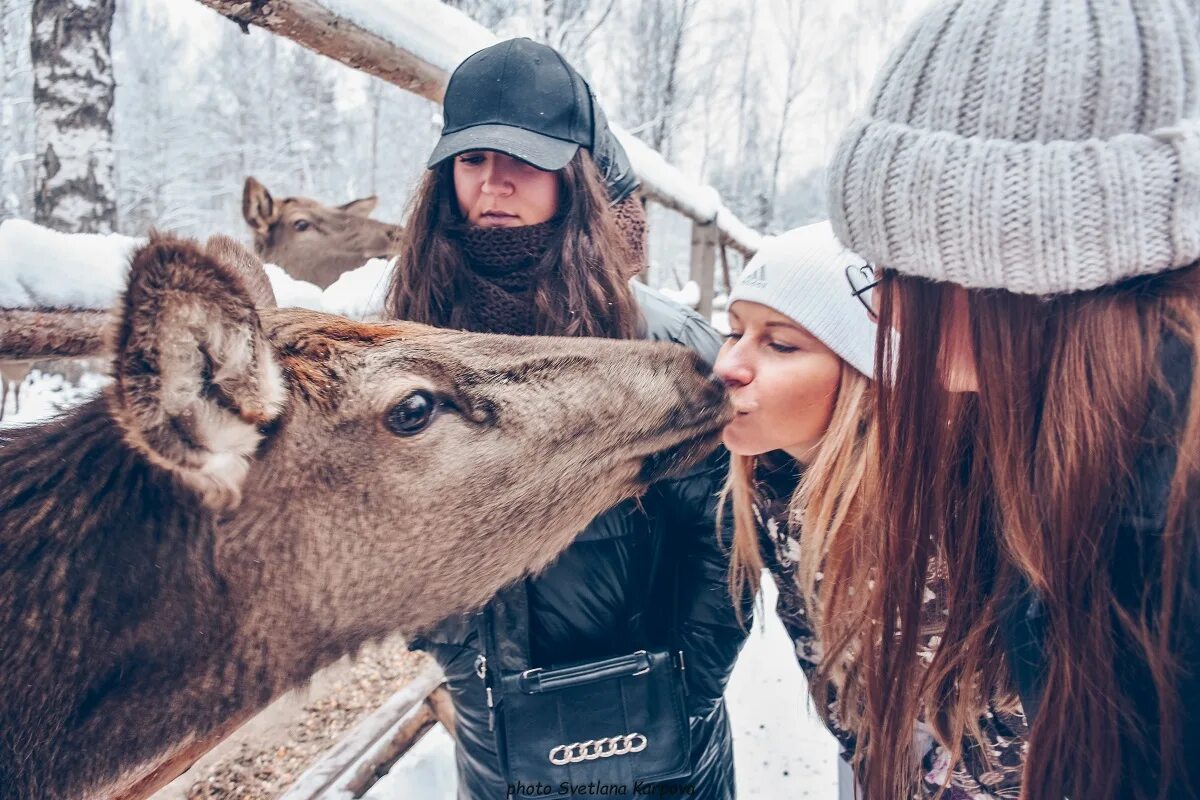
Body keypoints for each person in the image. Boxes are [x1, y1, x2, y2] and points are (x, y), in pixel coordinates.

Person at [823, 0, 1200, 797]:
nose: (883, 310)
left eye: (894, 271)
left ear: (1015, 265)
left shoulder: (1160, 522)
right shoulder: (1072, 455)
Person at [387, 38, 747, 799]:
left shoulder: (659, 346)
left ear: (576, 174)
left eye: (527, 158)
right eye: (472, 159)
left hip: (657, 734)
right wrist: (465, 668)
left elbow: (727, 538)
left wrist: (688, 687)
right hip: (501, 746)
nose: (495, 182)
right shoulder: (412, 343)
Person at [714, 221, 1026, 798]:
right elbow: (820, 655)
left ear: (869, 372)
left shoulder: (974, 498)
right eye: (733, 333)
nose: (728, 365)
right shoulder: (772, 479)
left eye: (780, 343)